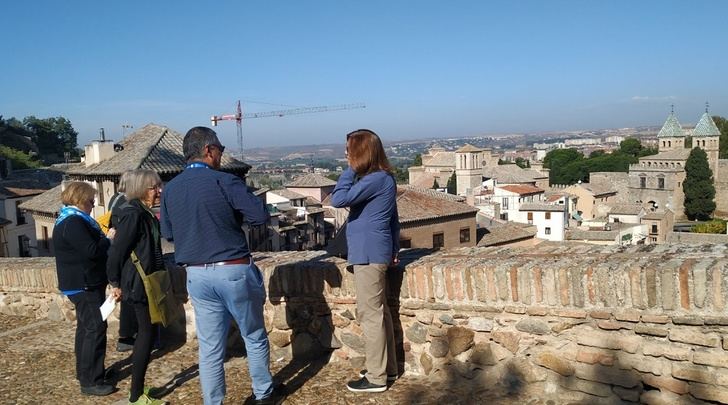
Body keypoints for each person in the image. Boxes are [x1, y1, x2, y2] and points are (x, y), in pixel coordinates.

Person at [160, 127, 275, 405]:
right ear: (209, 150)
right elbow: (260, 215)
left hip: (196, 274)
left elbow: (169, 234)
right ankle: (263, 394)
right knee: (254, 335)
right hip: (233, 268)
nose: (222, 155)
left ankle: (214, 402)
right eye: (221, 150)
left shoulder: (170, 189)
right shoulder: (225, 181)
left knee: (210, 348)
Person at [331, 129, 400, 393]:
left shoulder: (376, 179)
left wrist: (349, 168)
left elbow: (338, 199)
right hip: (376, 250)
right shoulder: (384, 179)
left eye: (350, 150)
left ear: (362, 152)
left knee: (370, 316)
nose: (346, 154)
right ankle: (387, 369)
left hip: (369, 253)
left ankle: (376, 377)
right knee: (380, 314)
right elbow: (394, 219)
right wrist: (394, 247)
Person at [107, 169, 167, 405]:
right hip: (138, 284)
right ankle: (136, 395)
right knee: (146, 335)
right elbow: (117, 252)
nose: (159, 191)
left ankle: (138, 389)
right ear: (142, 189)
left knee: (148, 333)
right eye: (154, 187)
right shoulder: (134, 214)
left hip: (144, 280)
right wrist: (114, 282)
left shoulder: (142, 212)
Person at [53, 181, 117, 396]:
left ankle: (86, 372)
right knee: (95, 330)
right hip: (84, 284)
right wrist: (108, 240)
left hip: (80, 283)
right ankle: (91, 381)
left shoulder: (68, 219)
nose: (93, 204)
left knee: (85, 328)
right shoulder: (73, 222)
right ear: (80, 200)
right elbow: (91, 251)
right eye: (91, 200)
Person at [109, 170, 139, 353]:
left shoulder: (115, 199)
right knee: (130, 297)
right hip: (127, 256)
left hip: (118, 251)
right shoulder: (128, 204)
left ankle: (128, 335)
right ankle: (129, 336)